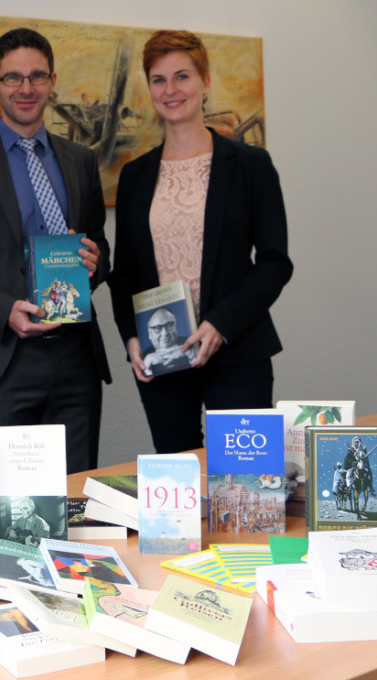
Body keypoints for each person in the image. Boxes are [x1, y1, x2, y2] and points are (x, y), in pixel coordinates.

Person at [0, 28, 111, 491]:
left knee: (73, 502)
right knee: (2, 506)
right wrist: (4, 310)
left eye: (36, 77)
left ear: (52, 81)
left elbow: (99, 249)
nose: (25, 89)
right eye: (13, 78)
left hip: (74, 358)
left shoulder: (81, 160)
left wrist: (94, 259)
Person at [109, 30, 293, 453]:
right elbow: (126, 275)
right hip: (163, 355)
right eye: (158, 80)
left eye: (182, 76)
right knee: (179, 491)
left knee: (245, 487)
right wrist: (132, 339)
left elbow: (274, 262)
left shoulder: (250, 165)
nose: (171, 90)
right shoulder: (136, 176)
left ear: (205, 81)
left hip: (237, 348)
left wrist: (220, 325)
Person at [142, 306, 195, 375]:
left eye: (170, 325)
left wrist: (192, 356)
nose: (165, 333)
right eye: (157, 328)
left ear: (175, 326)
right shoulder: (144, 356)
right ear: (149, 333)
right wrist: (145, 368)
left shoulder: (191, 345)